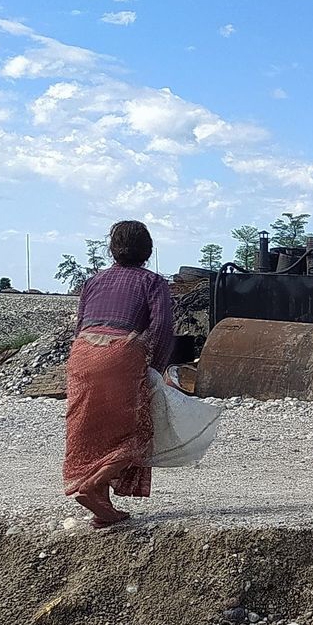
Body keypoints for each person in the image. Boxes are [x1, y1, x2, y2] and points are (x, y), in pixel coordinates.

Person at [63, 220, 174, 529]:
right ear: (148, 251)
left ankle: (103, 507)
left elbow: (80, 326)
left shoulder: (93, 282)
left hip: (83, 353)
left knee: (91, 427)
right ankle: (92, 484)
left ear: (111, 249)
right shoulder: (153, 283)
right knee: (137, 431)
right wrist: (156, 368)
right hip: (121, 353)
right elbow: (163, 328)